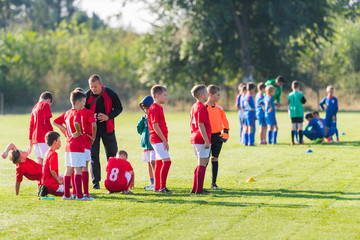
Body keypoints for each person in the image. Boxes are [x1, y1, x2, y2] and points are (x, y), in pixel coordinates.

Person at [85, 74, 123, 190]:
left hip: (108, 130)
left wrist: (108, 116)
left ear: (101, 84)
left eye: (95, 86)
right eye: (91, 87)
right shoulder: (86, 95)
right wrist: (91, 117)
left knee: (112, 156)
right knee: (94, 157)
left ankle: (113, 181)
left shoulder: (111, 93)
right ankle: (96, 183)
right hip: (92, 131)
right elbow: (83, 111)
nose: (93, 89)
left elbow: (119, 108)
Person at [53, 90, 90, 200]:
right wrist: (78, 132)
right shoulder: (76, 113)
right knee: (78, 169)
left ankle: (66, 194)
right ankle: (79, 196)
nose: (84, 104)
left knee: (69, 168)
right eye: (83, 102)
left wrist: (67, 132)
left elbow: (55, 122)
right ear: (78, 102)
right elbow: (77, 123)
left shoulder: (67, 112)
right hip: (77, 145)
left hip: (68, 145)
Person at [147, 85, 172, 193]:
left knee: (159, 163)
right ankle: (162, 187)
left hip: (157, 140)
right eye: (164, 95)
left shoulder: (159, 107)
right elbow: (155, 125)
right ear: (157, 96)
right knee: (167, 162)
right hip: (157, 140)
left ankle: (157, 187)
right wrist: (164, 141)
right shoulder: (154, 108)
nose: (166, 97)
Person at [205, 85, 229, 190]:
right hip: (208, 136)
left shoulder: (219, 108)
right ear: (210, 95)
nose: (219, 97)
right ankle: (199, 183)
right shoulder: (204, 107)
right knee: (204, 160)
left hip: (218, 136)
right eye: (217, 95)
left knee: (215, 159)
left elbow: (225, 120)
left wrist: (226, 132)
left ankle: (213, 183)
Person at [75, 88, 96, 199]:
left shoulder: (71, 112)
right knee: (85, 167)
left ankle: (75, 192)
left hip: (74, 144)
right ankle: (86, 193)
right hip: (85, 142)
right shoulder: (88, 112)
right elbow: (94, 125)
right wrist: (93, 137)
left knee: (75, 168)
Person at [190, 85, 212, 195]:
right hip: (201, 138)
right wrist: (206, 140)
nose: (208, 95)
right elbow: (201, 124)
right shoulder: (201, 107)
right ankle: (199, 190)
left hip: (195, 137)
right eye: (207, 93)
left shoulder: (194, 106)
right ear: (200, 95)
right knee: (202, 164)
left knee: (200, 164)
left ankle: (195, 188)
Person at [28, 91, 54, 165]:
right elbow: (46, 121)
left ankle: (40, 177)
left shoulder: (34, 107)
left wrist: (30, 143)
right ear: (49, 100)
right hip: (43, 137)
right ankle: (46, 177)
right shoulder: (45, 105)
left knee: (39, 162)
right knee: (48, 161)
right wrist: (52, 134)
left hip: (35, 139)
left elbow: (31, 126)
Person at [137, 96, 156, 190]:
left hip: (153, 144)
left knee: (154, 163)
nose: (146, 110)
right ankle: (152, 181)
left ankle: (157, 181)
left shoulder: (154, 116)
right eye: (144, 108)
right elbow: (139, 130)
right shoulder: (144, 118)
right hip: (146, 145)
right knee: (149, 163)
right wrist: (142, 120)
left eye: (147, 107)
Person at [40, 131, 64, 196]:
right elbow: (52, 170)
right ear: (55, 142)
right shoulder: (53, 154)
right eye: (59, 140)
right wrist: (58, 180)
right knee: (70, 193)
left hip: (46, 183)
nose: (60, 142)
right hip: (52, 185)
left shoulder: (47, 152)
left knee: (64, 178)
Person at [288, 81, 306, 145]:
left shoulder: (290, 95)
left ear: (292, 87)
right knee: (300, 127)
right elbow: (304, 101)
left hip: (293, 112)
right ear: (298, 87)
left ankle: (292, 141)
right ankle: (300, 141)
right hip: (299, 112)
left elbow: (289, 102)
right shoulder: (300, 94)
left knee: (293, 127)